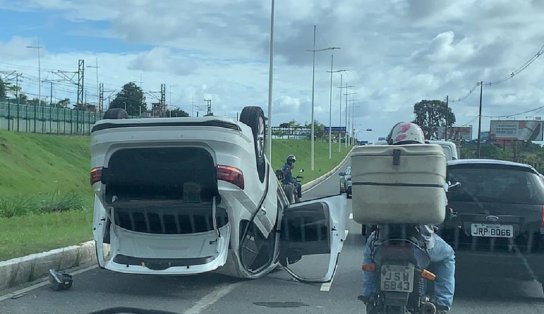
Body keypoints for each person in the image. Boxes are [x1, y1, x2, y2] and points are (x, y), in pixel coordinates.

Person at [359, 122, 456, 313]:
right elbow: (440, 204)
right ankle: (443, 304)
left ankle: (370, 296)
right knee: (448, 256)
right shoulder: (429, 165)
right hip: (422, 243)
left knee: (368, 254)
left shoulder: (383, 168)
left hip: (383, 242)